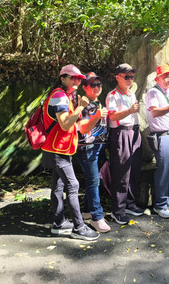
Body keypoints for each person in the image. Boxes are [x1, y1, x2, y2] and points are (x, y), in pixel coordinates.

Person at [41, 64, 100, 241]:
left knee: (58, 185)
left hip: (60, 148)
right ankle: (79, 227)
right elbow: (65, 124)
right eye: (72, 77)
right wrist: (81, 107)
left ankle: (59, 223)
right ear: (63, 78)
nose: (76, 80)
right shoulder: (59, 96)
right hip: (57, 149)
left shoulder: (65, 95)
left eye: (78, 78)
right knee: (73, 185)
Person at [106, 63, 144, 225]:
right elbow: (113, 117)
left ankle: (130, 203)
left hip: (134, 131)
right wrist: (129, 110)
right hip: (121, 132)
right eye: (126, 77)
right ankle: (118, 210)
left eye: (132, 77)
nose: (130, 80)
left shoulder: (131, 94)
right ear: (117, 77)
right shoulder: (112, 95)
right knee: (122, 172)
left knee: (134, 169)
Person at [145, 64, 169, 219]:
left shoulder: (166, 92)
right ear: (158, 78)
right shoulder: (153, 92)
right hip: (163, 136)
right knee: (164, 170)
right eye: (165, 76)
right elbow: (154, 112)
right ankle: (160, 205)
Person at [75, 72, 111, 233]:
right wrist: (97, 116)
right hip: (88, 148)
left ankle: (88, 211)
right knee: (93, 181)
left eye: (99, 85)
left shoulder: (97, 103)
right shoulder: (83, 104)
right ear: (85, 87)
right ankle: (97, 217)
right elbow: (83, 128)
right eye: (92, 85)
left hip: (98, 146)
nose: (97, 88)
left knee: (93, 181)